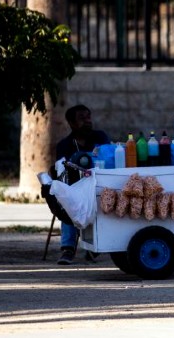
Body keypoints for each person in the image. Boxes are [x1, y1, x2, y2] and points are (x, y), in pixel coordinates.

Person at [55, 104, 110, 265]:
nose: (87, 121)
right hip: (75, 188)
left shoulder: (100, 138)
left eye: (88, 117)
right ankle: (68, 249)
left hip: (98, 187)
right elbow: (60, 170)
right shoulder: (64, 145)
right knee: (69, 203)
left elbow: (108, 156)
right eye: (82, 118)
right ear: (71, 123)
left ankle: (93, 247)